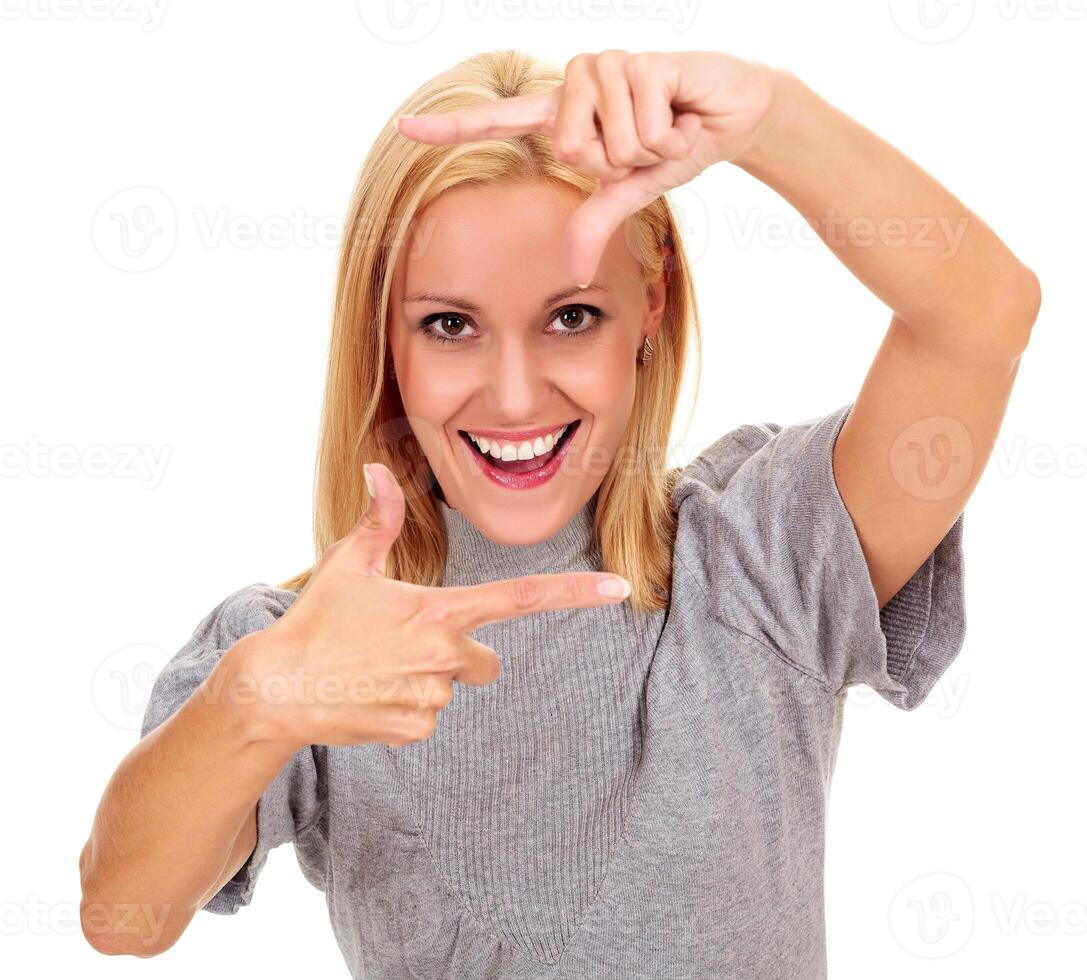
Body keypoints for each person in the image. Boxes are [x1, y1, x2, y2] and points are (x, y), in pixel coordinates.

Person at [78, 48, 1040, 978]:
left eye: (570, 316)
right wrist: (257, 701)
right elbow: (123, 916)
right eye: (448, 325)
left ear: (650, 301)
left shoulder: (763, 557)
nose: (511, 397)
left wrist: (774, 120)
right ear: (385, 336)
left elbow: (981, 315)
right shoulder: (315, 648)